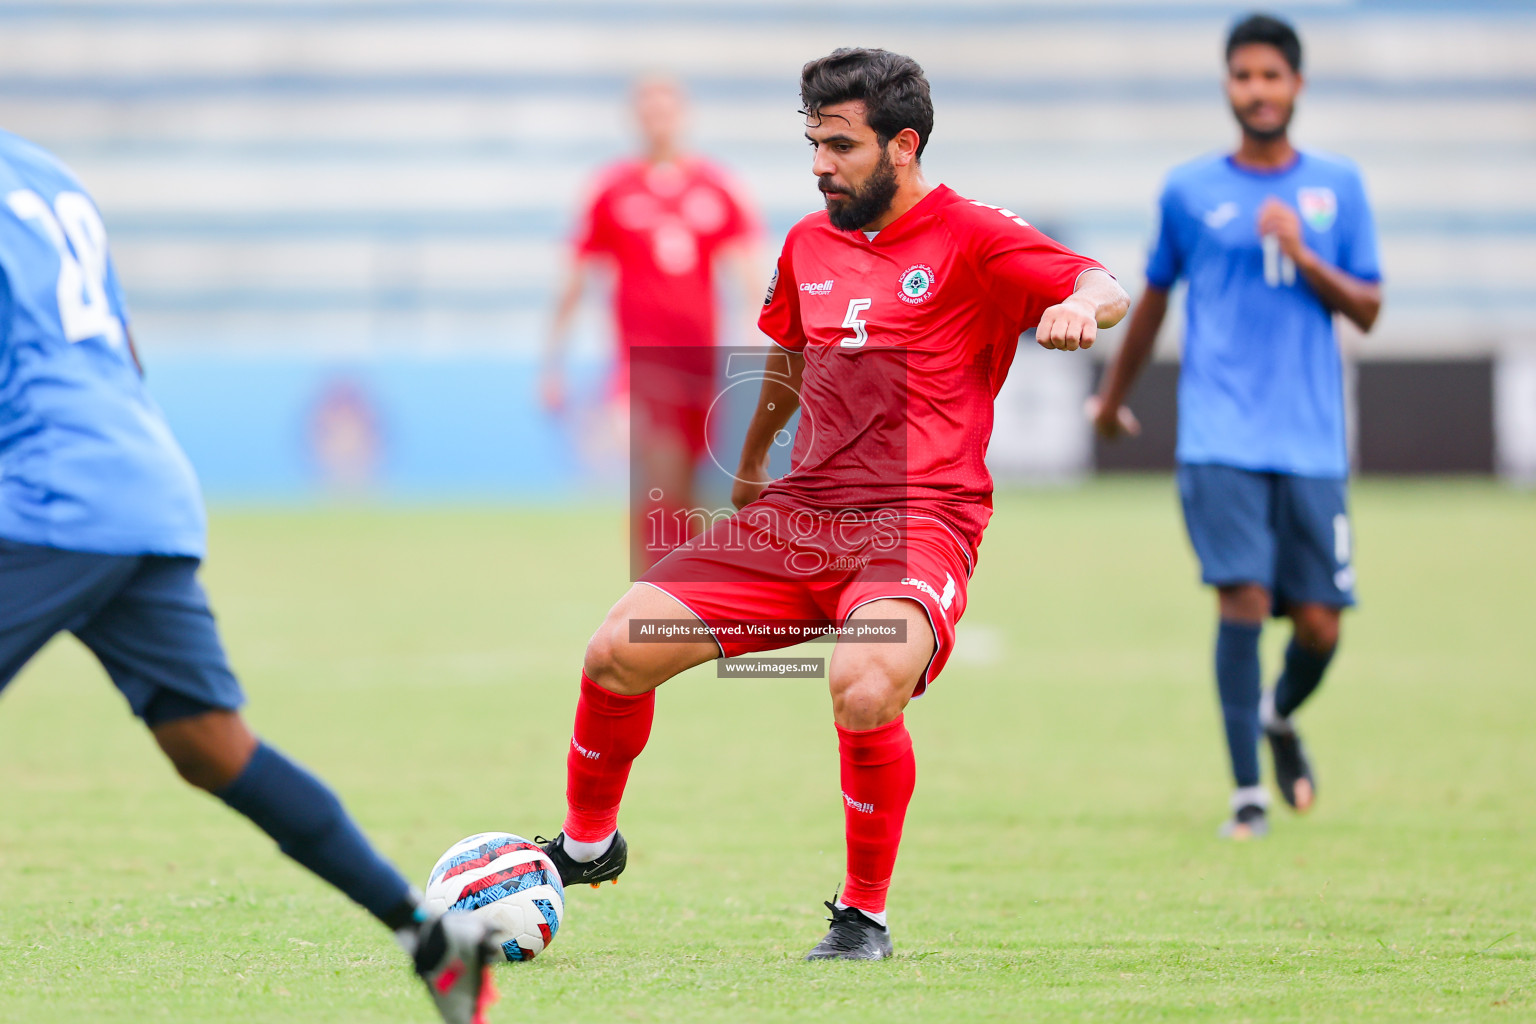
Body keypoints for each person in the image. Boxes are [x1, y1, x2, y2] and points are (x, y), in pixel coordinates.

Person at [537, 48, 1128, 959]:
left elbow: (1100, 282)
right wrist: (746, 471)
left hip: (917, 520)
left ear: (902, 145)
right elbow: (788, 356)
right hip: (798, 515)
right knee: (617, 648)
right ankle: (586, 846)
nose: (819, 164)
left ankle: (862, 917)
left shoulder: (973, 234)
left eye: (840, 146)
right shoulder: (809, 242)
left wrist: (1080, 310)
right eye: (813, 142)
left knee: (861, 682)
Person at [0, 128, 498, 1023]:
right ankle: (427, 936)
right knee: (210, 745)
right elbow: (122, 347)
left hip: (47, 495)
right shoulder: (47, 175)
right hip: (139, 482)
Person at [1090, 13, 1382, 840]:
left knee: (1321, 624)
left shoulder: (1339, 187)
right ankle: (1246, 795)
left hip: (1312, 442)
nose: (1258, 90)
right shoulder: (1189, 191)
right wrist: (1111, 402)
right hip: (1218, 436)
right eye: (1244, 76)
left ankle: (1278, 715)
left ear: (1297, 86)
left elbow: (1368, 308)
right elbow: (1152, 299)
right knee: (1243, 599)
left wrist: (1306, 253)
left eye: (1272, 76)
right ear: (1228, 86)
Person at [544, 76, 763, 573]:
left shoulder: (716, 186)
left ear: (682, 115)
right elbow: (574, 281)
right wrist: (553, 365)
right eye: (648, 109)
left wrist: (753, 351)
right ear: (635, 117)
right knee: (654, 475)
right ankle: (654, 595)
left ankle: (683, 597)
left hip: (702, 363)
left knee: (689, 491)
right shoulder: (611, 190)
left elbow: (750, 277)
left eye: (666, 108)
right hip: (640, 364)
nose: (657, 118)